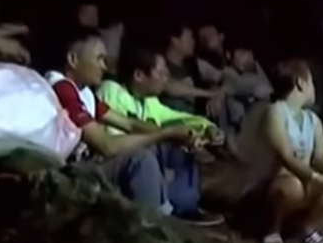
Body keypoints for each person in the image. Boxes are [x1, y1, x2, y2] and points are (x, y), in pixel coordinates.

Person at [46, 31, 200, 213]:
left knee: (159, 148)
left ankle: (169, 211)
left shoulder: (84, 92)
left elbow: (129, 124)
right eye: (99, 59)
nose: (104, 66)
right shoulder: (61, 88)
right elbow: (106, 144)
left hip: (87, 165)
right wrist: (164, 134)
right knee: (139, 159)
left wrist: (175, 134)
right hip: (68, 172)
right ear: (73, 59)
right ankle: (157, 227)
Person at [233, 59, 323, 243]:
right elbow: (285, 156)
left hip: (296, 182)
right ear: (300, 83)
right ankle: (272, 230)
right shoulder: (275, 112)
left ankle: (305, 227)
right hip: (264, 190)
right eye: (311, 81)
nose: (314, 88)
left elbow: (321, 154)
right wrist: (316, 178)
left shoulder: (312, 120)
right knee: (293, 185)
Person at [96, 48, 224, 226]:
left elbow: (175, 117)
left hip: (137, 160)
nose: (166, 78)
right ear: (139, 75)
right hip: (116, 167)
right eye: (161, 73)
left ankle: (184, 207)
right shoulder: (111, 92)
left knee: (183, 142)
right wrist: (166, 135)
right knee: (157, 145)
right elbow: (113, 145)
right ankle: (158, 211)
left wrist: (206, 127)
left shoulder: (148, 101)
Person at [162, 25, 226, 115]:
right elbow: (169, 86)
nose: (193, 42)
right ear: (175, 40)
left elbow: (222, 76)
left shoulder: (194, 63)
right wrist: (210, 94)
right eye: (189, 38)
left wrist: (218, 91)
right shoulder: (161, 64)